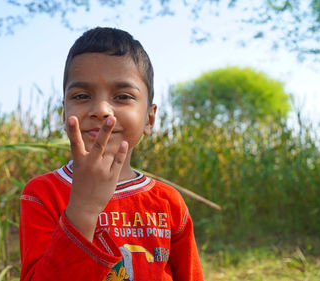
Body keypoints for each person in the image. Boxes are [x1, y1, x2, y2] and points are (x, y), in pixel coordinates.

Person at [19, 27, 203, 281]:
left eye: (123, 96)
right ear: (64, 114)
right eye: (82, 96)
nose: (102, 109)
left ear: (149, 118)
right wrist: (83, 209)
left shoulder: (168, 202)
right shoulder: (42, 194)